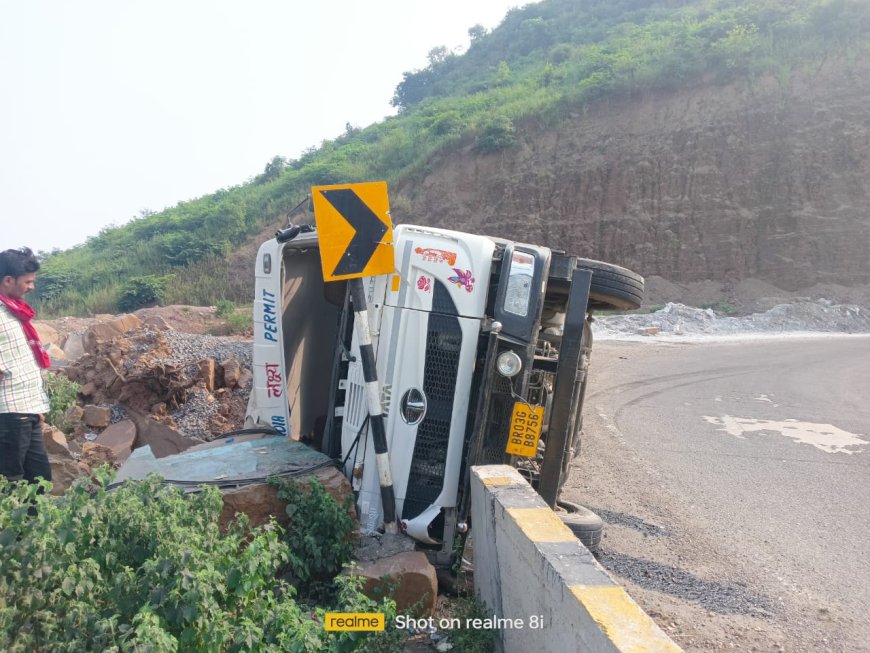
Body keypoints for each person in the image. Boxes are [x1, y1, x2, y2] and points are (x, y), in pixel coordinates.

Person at [0, 247, 52, 484]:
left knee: (40, 481)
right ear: (8, 280)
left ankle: (35, 522)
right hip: (8, 413)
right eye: (28, 282)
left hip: (27, 408)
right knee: (11, 483)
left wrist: (35, 406)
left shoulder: (14, 311)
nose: (32, 287)